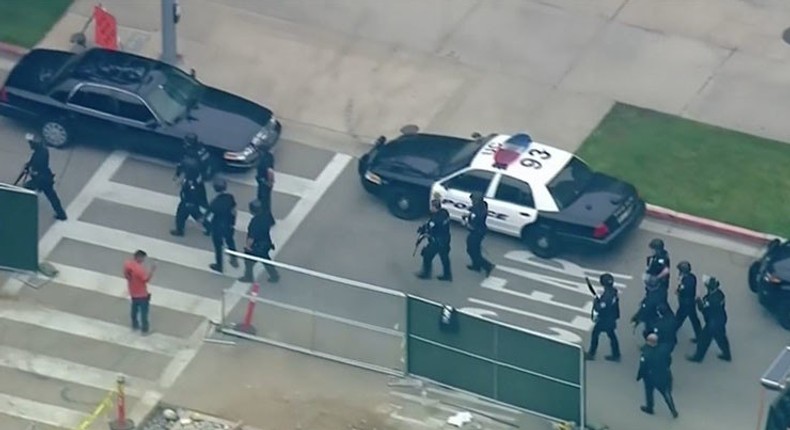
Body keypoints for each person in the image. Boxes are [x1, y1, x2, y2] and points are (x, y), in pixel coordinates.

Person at [23, 133, 67, 220]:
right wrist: (29, 164)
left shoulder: (39, 157)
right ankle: (61, 214)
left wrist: (29, 169)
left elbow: (35, 169)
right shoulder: (43, 150)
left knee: (26, 188)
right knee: (52, 197)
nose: (30, 145)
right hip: (47, 177)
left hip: (41, 179)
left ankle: (25, 206)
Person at [687, 276, 731, 362]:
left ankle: (698, 357)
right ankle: (727, 354)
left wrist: (698, 300)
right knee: (721, 338)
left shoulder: (711, 299)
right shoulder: (720, 294)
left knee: (703, 340)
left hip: (713, 323)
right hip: (721, 319)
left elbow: (702, 308)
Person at [637, 333, 679, 418]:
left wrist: (639, 376)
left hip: (650, 376)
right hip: (664, 374)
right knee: (666, 393)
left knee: (649, 392)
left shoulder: (645, 353)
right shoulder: (664, 349)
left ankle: (650, 408)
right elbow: (669, 360)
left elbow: (643, 366)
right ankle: (673, 410)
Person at [239, 199, 279, 283]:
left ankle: (249, 277)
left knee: (248, 261)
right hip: (266, 243)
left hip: (257, 246)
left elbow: (251, 237)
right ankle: (274, 275)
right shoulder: (265, 216)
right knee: (266, 260)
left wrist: (248, 247)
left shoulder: (254, 222)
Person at [204, 178, 239, 273]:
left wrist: (207, 227)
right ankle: (234, 257)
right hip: (228, 225)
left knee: (218, 246)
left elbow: (208, 218)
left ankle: (219, 265)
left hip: (218, 227)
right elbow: (234, 211)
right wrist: (232, 222)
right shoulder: (230, 197)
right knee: (230, 241)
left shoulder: (214, 203)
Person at [584, 273, 621, 362]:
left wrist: (596, 302)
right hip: (612, 317)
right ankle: (616, 353)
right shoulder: (613, 291)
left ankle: (591, 353)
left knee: (595, 334)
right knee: (611, 335)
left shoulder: (606, 297)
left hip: (605, 319)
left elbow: (600, 308)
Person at [416, 198, 452, 281]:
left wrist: (423, 231)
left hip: (437, 241)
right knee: (444, 257)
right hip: (446, 239)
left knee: (427, 255)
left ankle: (426, 273)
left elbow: (430, 229)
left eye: (432, 207)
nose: (431, 208)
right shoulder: (444, 213)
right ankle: (447, 275)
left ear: (435, 207)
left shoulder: (435, 219)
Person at [123, 250, 156, 335]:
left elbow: (126, 275)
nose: (143, 260)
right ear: (139, 257)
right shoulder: (139, 269)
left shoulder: (127, 264)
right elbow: (146, 279)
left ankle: (135, 325)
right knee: (143, 313)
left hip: (133, 292)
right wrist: (152, 271)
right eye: (143, 258)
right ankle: (144, 330)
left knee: (134, 310)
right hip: (142, 294)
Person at [463, 192, 494, 276]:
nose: (471, 201)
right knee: (475, 250)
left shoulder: (477, 211)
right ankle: (476, 266)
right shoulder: (482, 206)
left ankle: (487, 265)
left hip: (477, 232)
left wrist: (466, 222)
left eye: (472, 200)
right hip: (480, 231)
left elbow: (473, 223)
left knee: (472, 250)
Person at [674, 261, 702, 342]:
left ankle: (670, 334)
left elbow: (680, 290)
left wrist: (678, 289)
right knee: (694, 320)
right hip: (691, 302)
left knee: (678, 319)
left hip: (685, 303)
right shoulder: (692, 277)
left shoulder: (685, 281)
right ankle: (699, 336)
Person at [255, 148, 275, 219]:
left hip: (264, 183)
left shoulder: (264, 159)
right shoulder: (269, 156)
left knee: (264, 200)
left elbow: (270, 171)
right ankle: (267, 217)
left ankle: (266, 217)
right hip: (265, 182)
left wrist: (269, 182)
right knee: (266, 200)